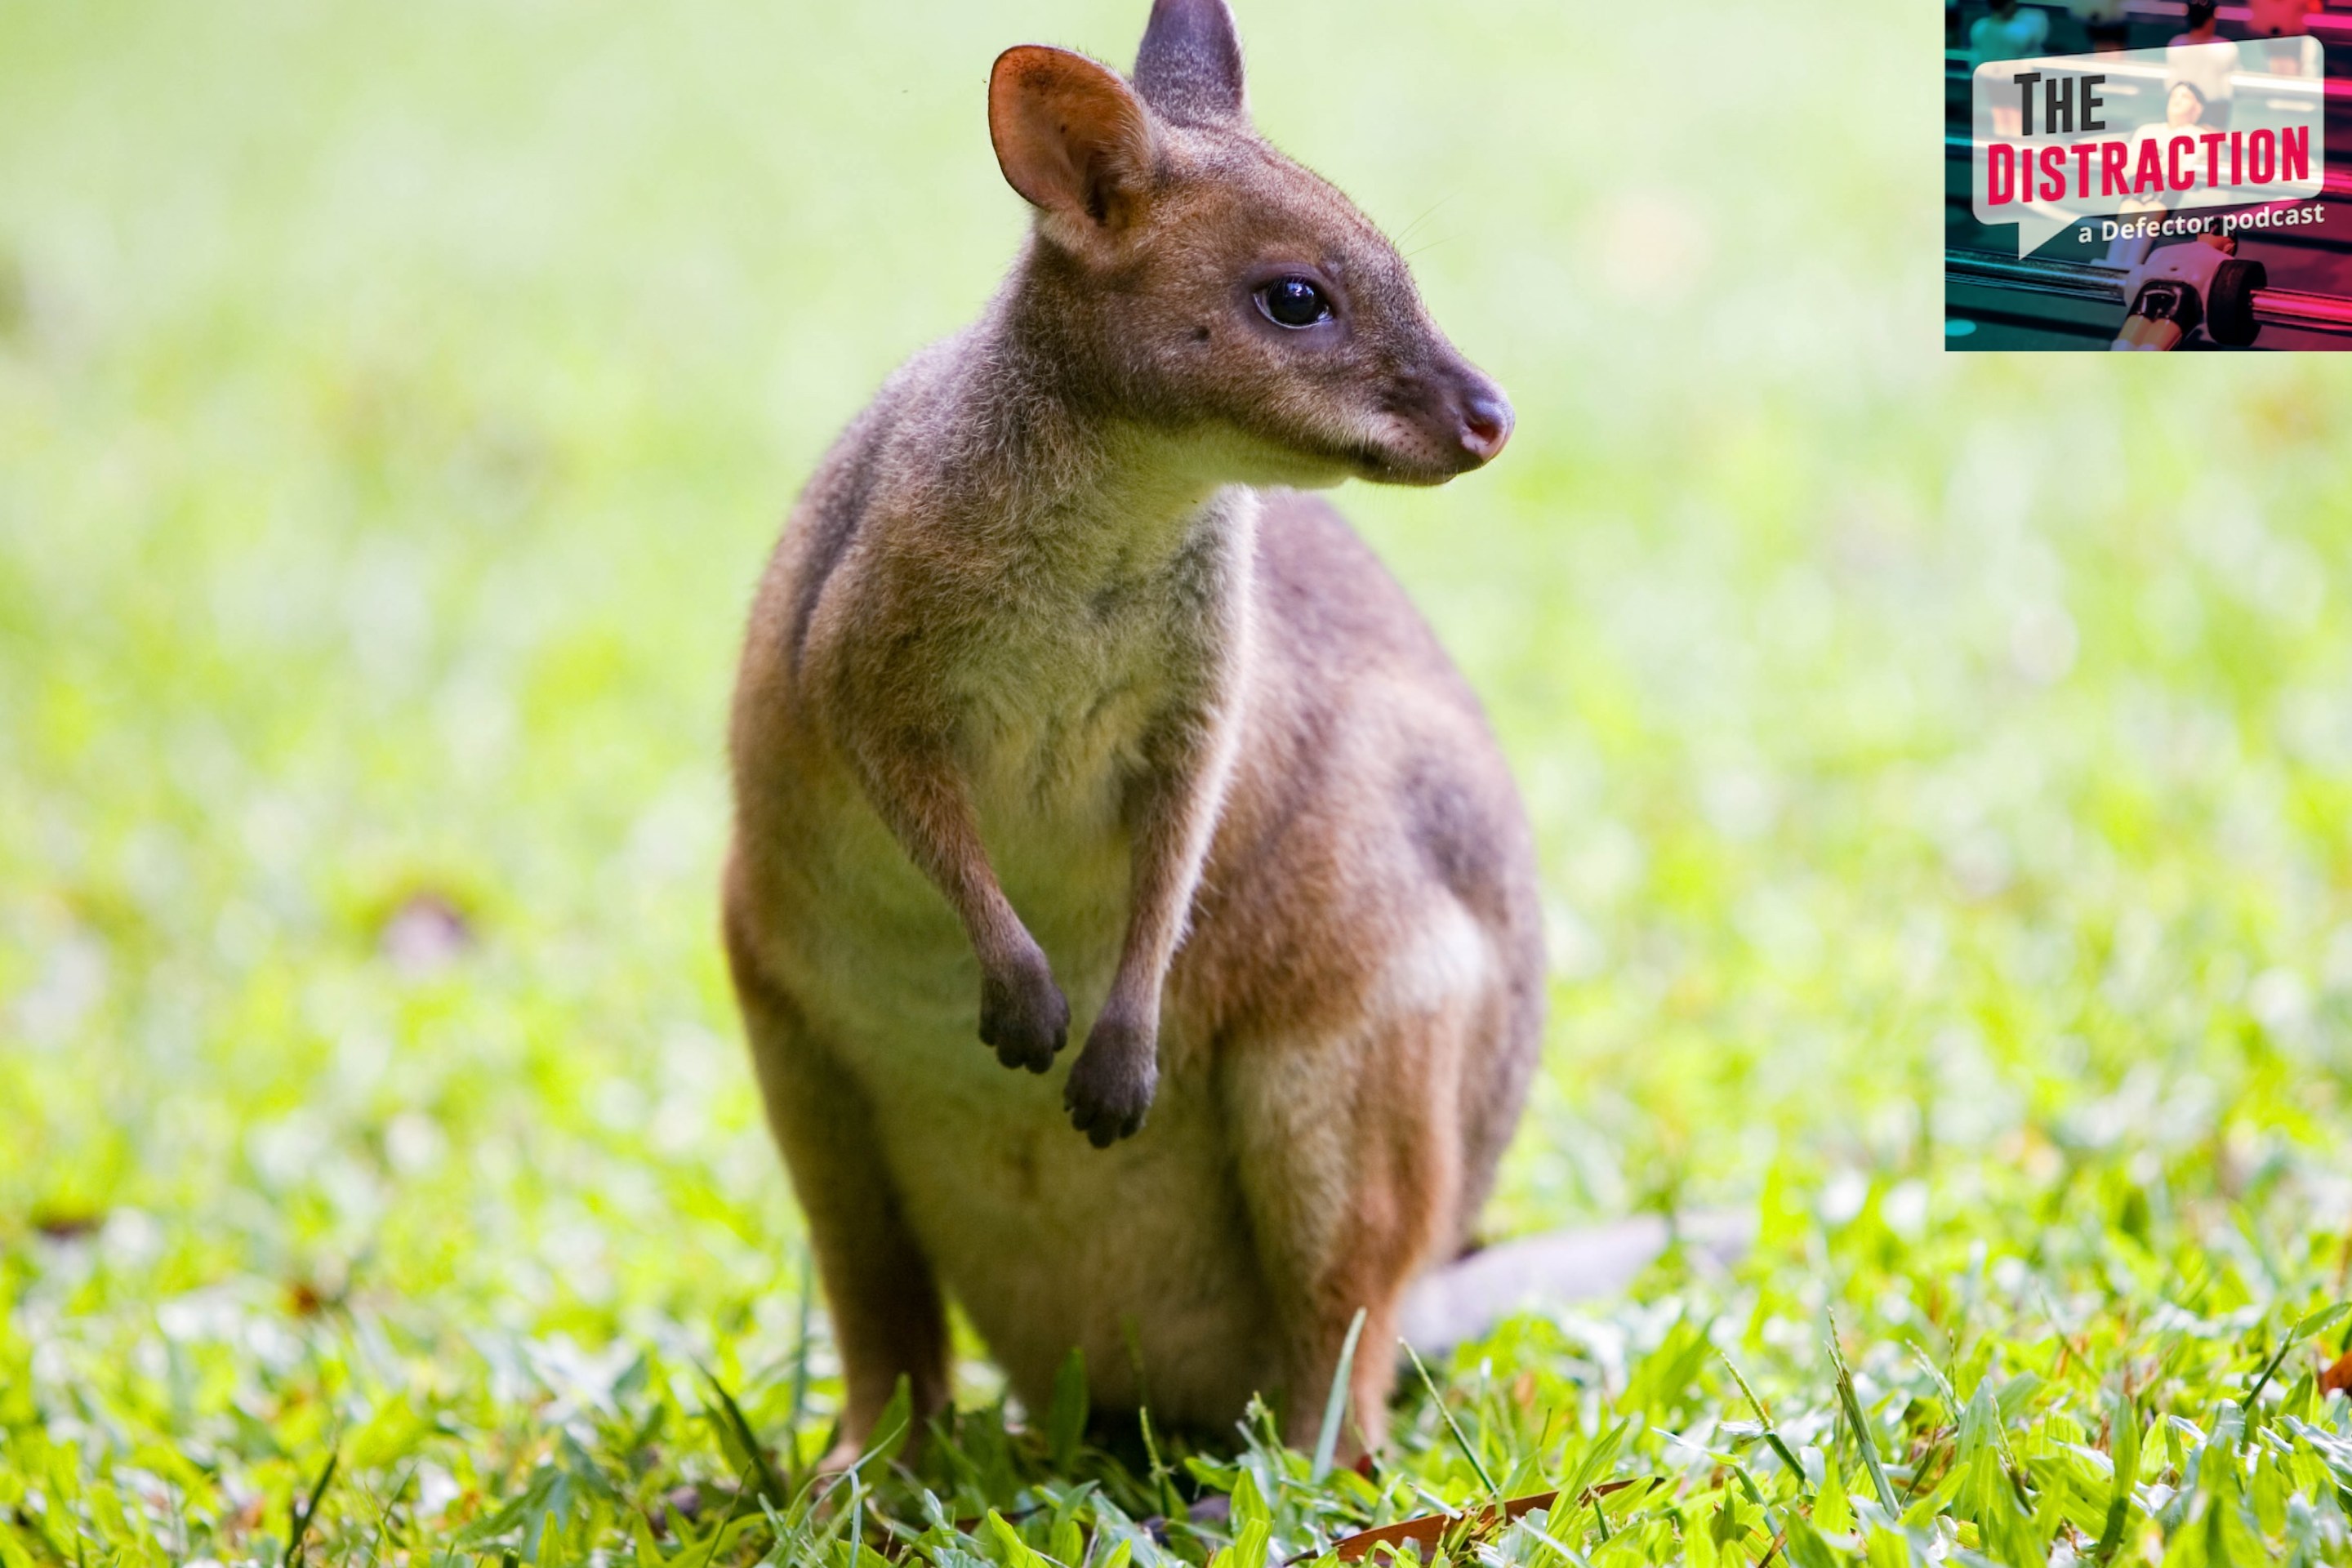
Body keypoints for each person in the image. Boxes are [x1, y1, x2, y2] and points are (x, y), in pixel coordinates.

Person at [2168, 1, 2238, 127]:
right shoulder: (2226, 48)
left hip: (2186, 108)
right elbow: (2230, 88)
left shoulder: (2176, 44)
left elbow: (2170, 83)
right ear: (2213, 18)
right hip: (2214, 111)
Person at [1971, 0, 2052, 73]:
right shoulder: (2021, 32)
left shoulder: (1979, 27)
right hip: (2011, 83)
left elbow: (1975, 60)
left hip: (1986, 82)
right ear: (2009, 4)